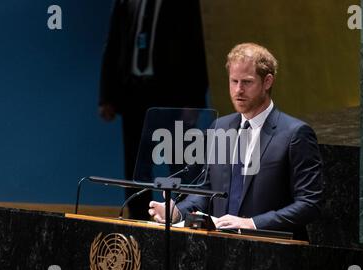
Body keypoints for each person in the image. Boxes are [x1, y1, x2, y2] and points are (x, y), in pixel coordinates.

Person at [148, 43, 323, 240]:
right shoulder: (219, 128)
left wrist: (253, 224)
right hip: (223, 250)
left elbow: (310, 203)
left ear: (267, 82)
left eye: (247, 82)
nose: (238, 90)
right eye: (234, 81)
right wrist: (178, 211)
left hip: (274, 252)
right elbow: (208, 190)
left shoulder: (295, 134)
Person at [98, 0, 208, 220]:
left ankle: (182, 219)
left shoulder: (185, 4)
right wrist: (106, 97)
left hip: (173, 97)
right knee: (136, 167)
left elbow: (196, 45)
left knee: (181, 164)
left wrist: (194, 101)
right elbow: (113, 43)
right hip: (134, 96)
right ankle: (138, 222)